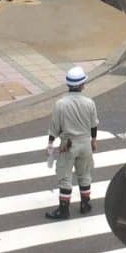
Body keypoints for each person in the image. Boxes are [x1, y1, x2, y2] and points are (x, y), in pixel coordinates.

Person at [45, 65, 99, 219]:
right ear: (82, 84)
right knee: (84, 174)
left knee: (65, 177)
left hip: (68, 145)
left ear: (68, 84)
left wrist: (50, 144)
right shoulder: (89, 103)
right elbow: (94, 124)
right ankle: (85, 204)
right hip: (85, 143)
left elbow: (54, 127)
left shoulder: (60, 104)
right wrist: (94, 141)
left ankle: (63, 210)